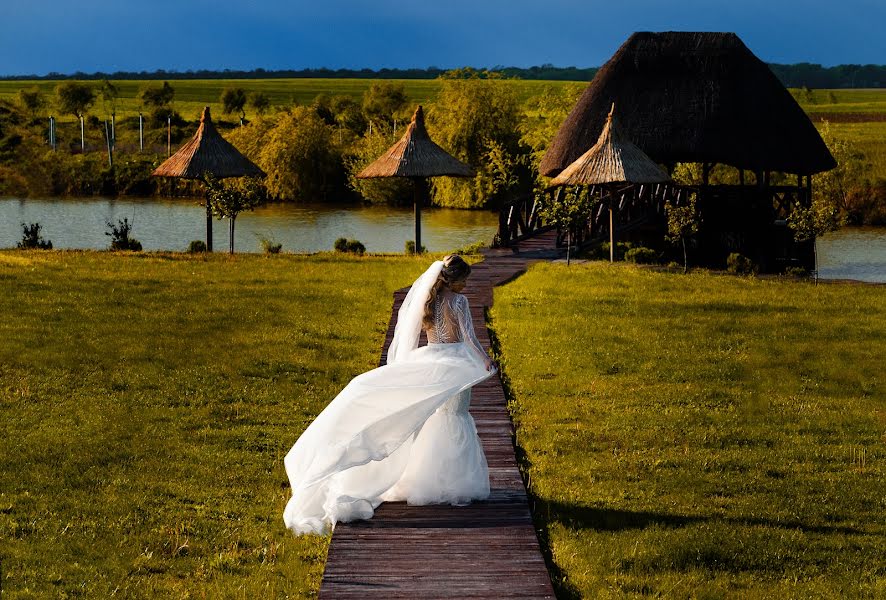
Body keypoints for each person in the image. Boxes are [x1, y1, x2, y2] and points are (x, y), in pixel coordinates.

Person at [283, 255, 496, 535]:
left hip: (430, 362)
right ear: (455, 279)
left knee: (432, 418)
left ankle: (423, 481)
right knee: (455, 417)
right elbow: (469, 337)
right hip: (455, 364)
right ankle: (455, 483)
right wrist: (485, 360)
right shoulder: (460, 303)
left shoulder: (426, 301)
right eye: (465, 280)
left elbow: (415, 335)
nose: (467, 285)